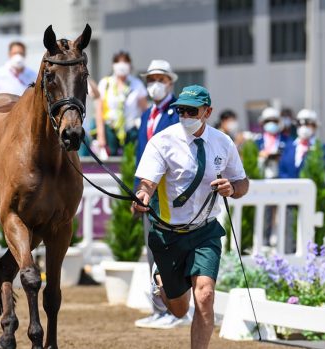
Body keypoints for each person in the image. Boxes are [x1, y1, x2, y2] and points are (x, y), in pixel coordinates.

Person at [133, 85, 249, 349]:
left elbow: (243, 183)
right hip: (168, 233)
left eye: (191, 110)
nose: (184, 115)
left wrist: (232, 188)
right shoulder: (162, 141)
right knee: (177, 309)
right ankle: (160, 278)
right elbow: (147, 184)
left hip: (205, 230)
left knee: (205, 295)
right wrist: (142, 196)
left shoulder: (223, 142)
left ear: (207, 112)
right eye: (180, 110)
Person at [133, 59, 184, 329]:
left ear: (170, 82)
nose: (155, 84)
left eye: (160, 80)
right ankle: (160, 308)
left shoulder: (178, 113)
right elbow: (141, 156)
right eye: (151, 79)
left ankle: (175, 309)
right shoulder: (146, 115)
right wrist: (136, 192)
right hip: (148, 191)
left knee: (170, 249)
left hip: (170, 191)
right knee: (152, 248)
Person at [94, 51, 148, 155]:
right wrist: (101, 136)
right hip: (111, 129)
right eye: (118, 62)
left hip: (131, 130)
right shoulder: (105, 83)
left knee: (131, 159)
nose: (122, 65)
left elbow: (144, 110)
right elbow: (99, 112)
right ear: (113, 65)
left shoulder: (137, 84)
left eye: (125, 62)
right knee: (111, 162)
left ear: (130, 65)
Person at [279, 109, 325, 179]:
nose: (303, 127)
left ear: (315, 126)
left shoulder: (323, 149)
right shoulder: (288, 145)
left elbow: (320, 172)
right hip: (289, 188)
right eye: (300, 124)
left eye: (307, 124)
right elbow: (282, 170)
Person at [256, 107, 289, 179]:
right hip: (262, 179)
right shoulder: (256, 141)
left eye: (274, 121)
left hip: (281, 178)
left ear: (279, 122)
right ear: (262, 123)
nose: (271, 123)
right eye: (268, 121)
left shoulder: (287, 140)